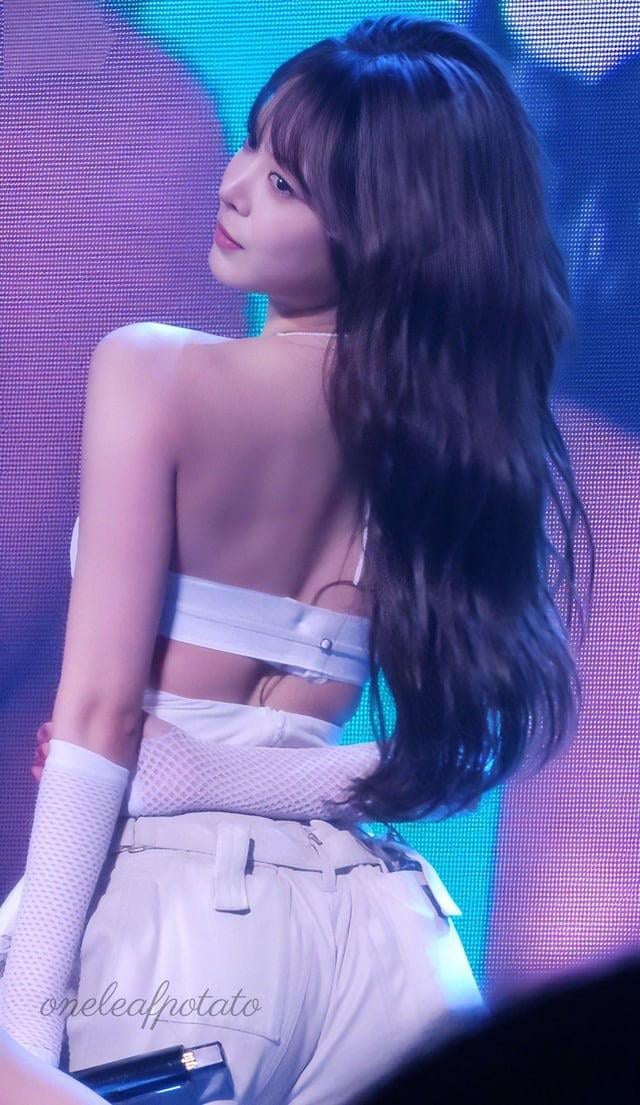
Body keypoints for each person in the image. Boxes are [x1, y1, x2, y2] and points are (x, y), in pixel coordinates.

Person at [0, 13, 594, 1105]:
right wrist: (243, 776)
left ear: (377, 232)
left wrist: (25, 1024)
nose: (233, 187)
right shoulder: (444, 442)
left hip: (172, 933)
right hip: (389, 949)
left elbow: (99, 718)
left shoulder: (154, 371)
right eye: (252, 146)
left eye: (284, 183)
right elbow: (457, 752)